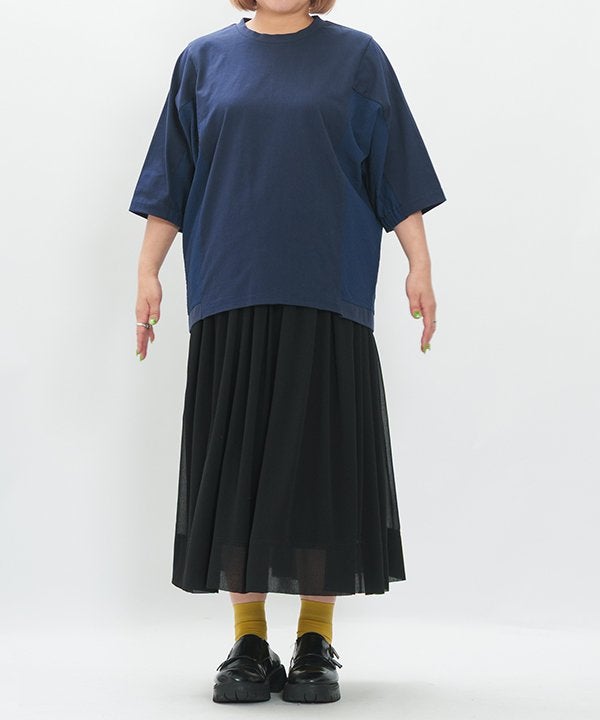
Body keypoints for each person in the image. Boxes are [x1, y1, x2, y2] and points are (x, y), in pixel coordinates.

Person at [128, 0, 446, 705]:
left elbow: (396, 173)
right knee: (238, 466)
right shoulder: (202, 62)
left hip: (327, 285)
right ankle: (248, 640)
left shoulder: (358, 58)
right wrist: (148, 271)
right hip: (230, 285)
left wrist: (419, 264)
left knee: (318, 466)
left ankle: (313, 640)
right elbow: (170, 181)